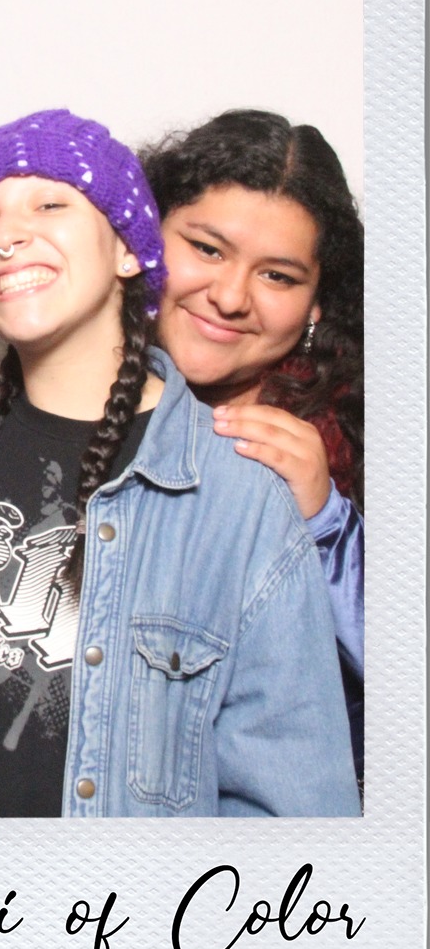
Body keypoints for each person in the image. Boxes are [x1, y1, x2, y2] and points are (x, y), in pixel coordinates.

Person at [0, 108, 360, 819]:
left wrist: (327, 522)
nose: (6, 234)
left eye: (50, 205)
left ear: (130, 247)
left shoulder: (248, 495)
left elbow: (292, 801)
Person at [138, 110, 363, 776]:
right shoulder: (66, 391)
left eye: (278, 277)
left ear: (317, 305)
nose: (231, 297)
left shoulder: (365, 434)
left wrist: (326, 523)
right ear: (142, 236)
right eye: (207, 249)